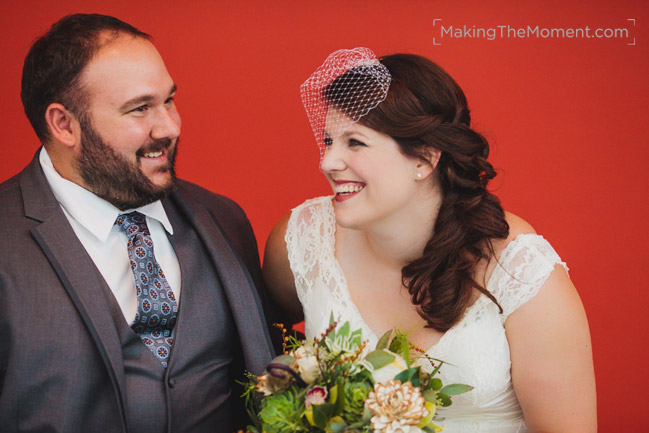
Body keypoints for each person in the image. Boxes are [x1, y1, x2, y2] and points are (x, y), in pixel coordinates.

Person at [263, 48, 596, 432]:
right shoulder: (304, 239)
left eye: (354, 142)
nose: (328, 162)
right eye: (328, 141)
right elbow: (260, 345)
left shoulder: (523, 274)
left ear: (423, 158)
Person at [0, 13, 278, 433]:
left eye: (168, 100)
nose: (170, 126)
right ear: (63, 124)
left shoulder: (225, 219)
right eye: (140, 108)